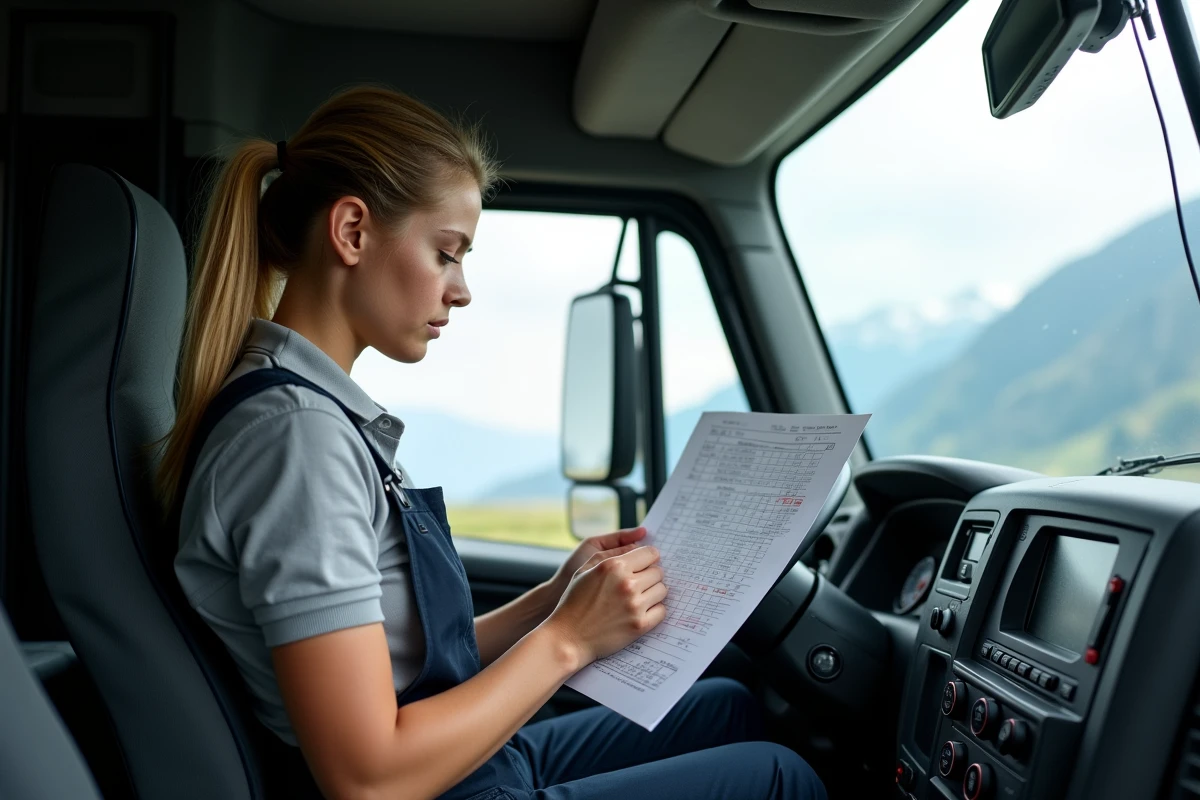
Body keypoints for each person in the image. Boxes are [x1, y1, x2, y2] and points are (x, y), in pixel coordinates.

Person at [160, 84, 827, 800]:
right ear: (352, 231)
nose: (462, 290)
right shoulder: (296, 442)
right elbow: (366, 776)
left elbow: (399, 663)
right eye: (447, 253)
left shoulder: (318, 419)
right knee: (778, 780)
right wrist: (569, 638)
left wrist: (552, 598)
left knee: (725, 706)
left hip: (464, 769)